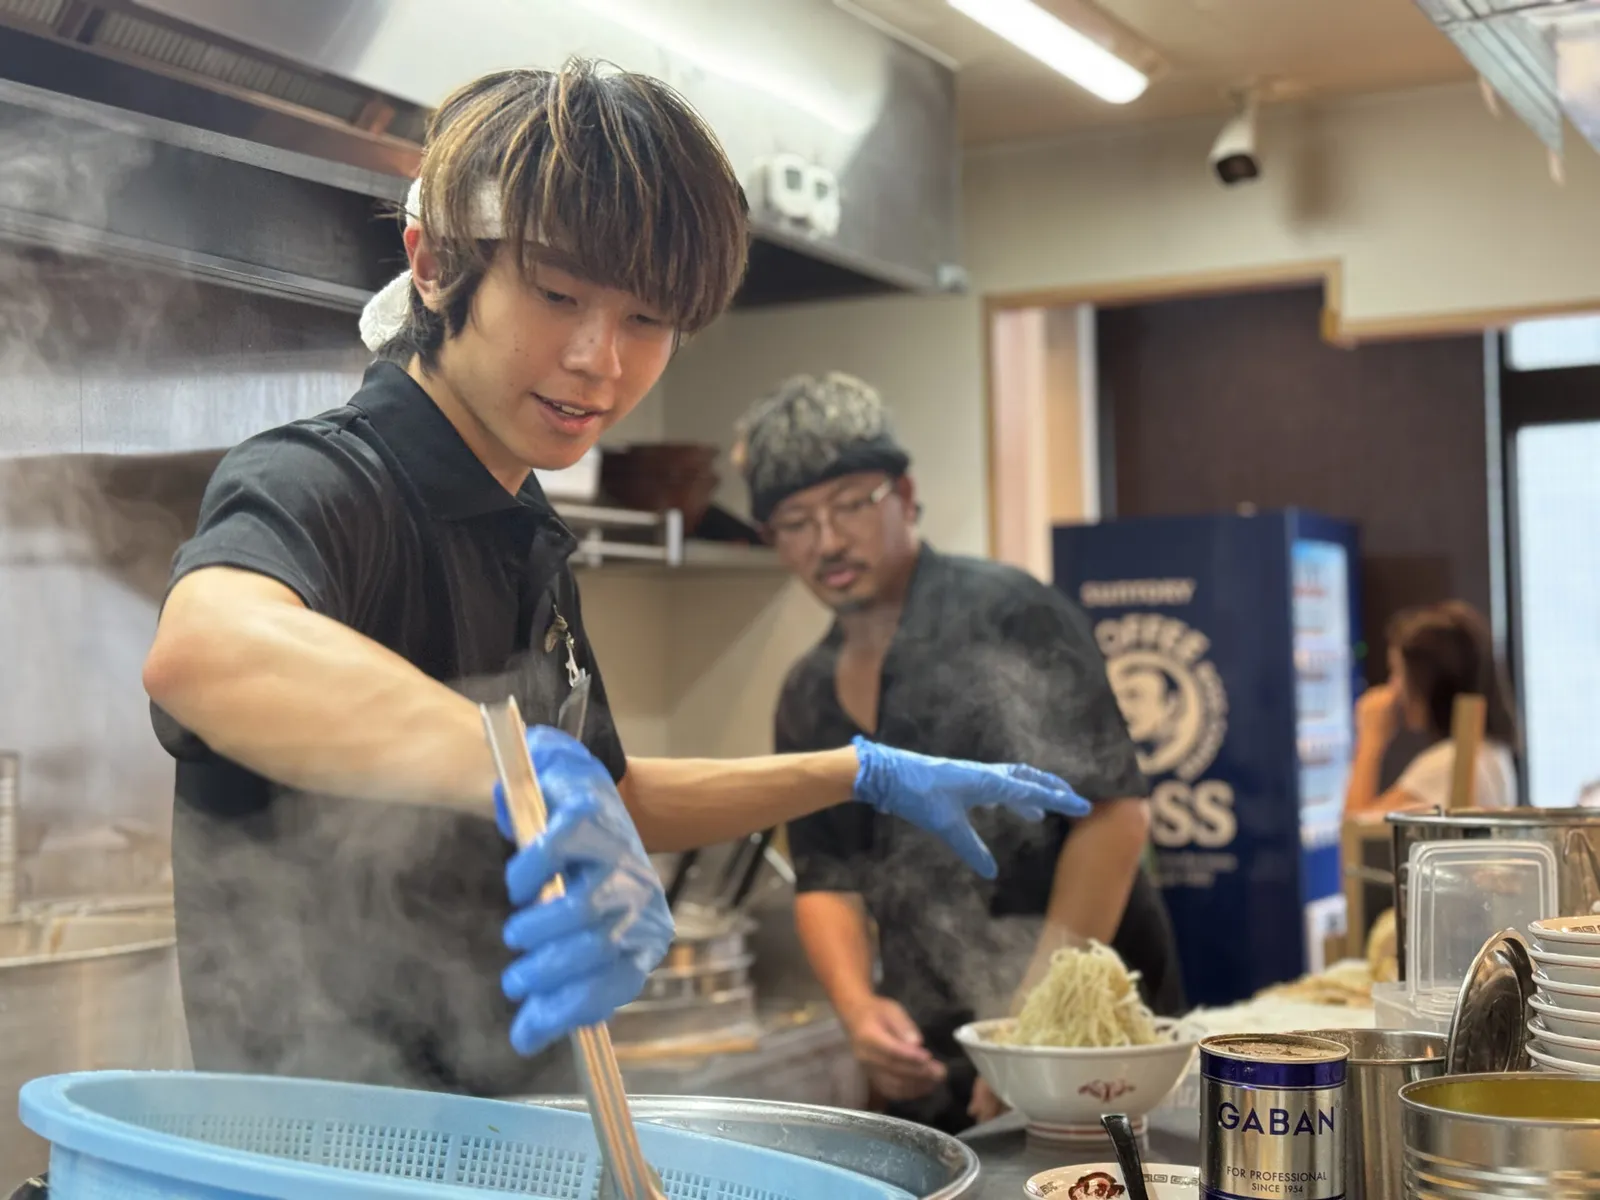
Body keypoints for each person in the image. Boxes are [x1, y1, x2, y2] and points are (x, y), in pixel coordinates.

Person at [141, 62, 1091, 1097]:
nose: (602, 359)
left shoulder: (523, 529)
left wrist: (854, 772)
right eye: (558, 294)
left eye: (650, 320)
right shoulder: (328, 478)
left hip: (510, 1136)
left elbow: (613, 795)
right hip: (329, 1148)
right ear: (433, 264)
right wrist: (515, 768)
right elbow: (206, 650)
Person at [732, 372, 1185, 1134]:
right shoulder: (807, 691)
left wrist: (1035, 1034)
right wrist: (856, 1007)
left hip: (1082, 1028)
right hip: (937, 1038)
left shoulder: (1011, 614)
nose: (829, 541)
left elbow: (1113, 816)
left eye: (851, 505)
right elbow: (825, 876)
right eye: (797, 521)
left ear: (905, 496)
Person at [1344, 600, 1519, 818]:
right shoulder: (1491, 751)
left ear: (1425, 681)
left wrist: (1370, 742)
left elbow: (1355, 836)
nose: (1393, 688)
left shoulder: (1447, 764)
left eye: (1397, 672)